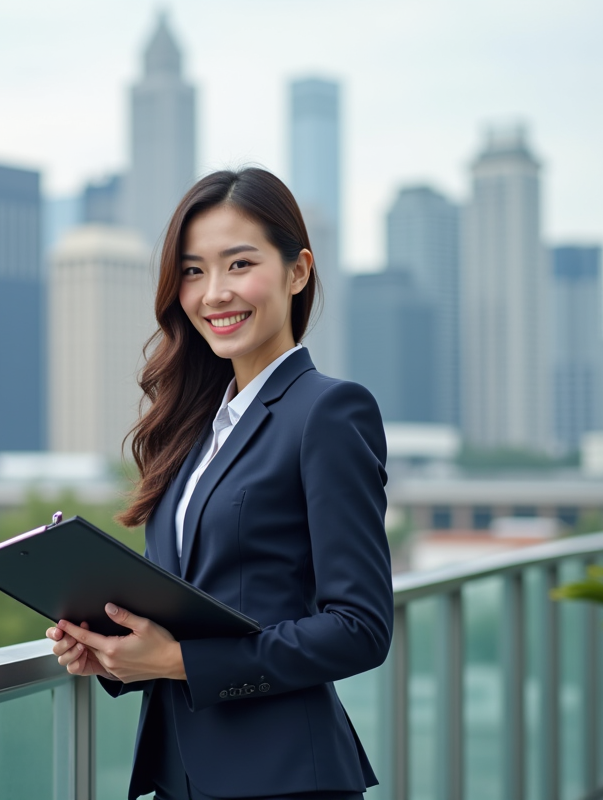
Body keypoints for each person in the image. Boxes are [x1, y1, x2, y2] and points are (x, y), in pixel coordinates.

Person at [45, 167, 393, 800]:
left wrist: (177, 662)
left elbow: (359, 628)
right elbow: (190, 603)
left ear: (298, 271)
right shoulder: (197, 430)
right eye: (193, 271)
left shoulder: (330, 412)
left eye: (238, 265)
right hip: (181, 776)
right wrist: (115, 651)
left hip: (283, 779)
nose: (213, 294)